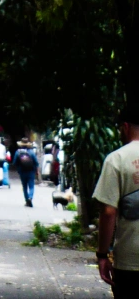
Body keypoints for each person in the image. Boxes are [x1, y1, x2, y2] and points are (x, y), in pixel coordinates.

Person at [93, 102, 139, 296]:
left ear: (125, 127)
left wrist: (102, 255)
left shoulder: (117, 159)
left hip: (130, 260)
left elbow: (108, 212)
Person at [13, 139, 39, 207]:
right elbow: (36, 162)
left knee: (24, 186)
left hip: (22, 172)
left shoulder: (17, 152)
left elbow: (14, 162)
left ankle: (27, 200)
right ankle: (30, 197)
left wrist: (18, 168)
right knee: (31, 186)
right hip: (31, 171)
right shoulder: (31, 152)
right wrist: (37, 171)